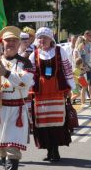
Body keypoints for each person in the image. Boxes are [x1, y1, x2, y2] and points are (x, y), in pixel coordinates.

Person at [0, 26, 34, 170]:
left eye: (14, 41)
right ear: (2, 43)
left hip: (16, 111)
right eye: (7, 41)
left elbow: (27, 81)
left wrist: (7, 73)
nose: (10, 44)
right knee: (1, 147)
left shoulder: (25, 63)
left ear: (19, 43)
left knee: (12, 148)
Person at [29, 27, 76, 162]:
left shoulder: (60, 51)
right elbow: (31, 74)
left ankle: (55, 151)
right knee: (44, 123)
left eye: (45, 37)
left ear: (51, 39)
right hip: (41, 93)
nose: (42, 40)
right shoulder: (35, 54)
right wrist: (28, 89)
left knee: (57, 122)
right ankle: (49, 151)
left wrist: (70, 87)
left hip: (57, 91)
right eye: (40, 37)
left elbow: (67, 69)